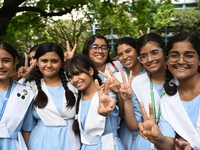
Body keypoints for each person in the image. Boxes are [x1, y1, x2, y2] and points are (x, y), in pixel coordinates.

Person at [139, 32, 200, 150]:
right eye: (174, 55)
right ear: (167, 61)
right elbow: (168, 145)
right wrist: (158, 138)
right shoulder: (168, 100)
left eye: (189, 55)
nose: (181, 61)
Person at [27, 42, 80, 150]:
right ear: (37, 62)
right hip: (40, 141)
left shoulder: (75, 84)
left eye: (54, 61)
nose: (49, 65)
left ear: (62, 63)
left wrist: (73, 63)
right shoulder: (29, 87)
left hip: (70, 139)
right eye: (44, 61)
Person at [66, 54, 124, 150]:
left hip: (108, 146)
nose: (74, 79)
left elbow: (113, 107)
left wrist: (107, 110)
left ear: (91, 71)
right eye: (70, 77)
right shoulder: (78, 98)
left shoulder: (106, 93)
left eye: (78, 73)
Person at [122, 33, 168, 150]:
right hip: (146, 142)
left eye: (155, 52)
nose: (150, 59)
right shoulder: (138, 82)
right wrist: (127, 99)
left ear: (164, 51)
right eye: (143, 56)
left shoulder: (179, 79)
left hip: (174, 141)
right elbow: (133, 126)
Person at [0, 41, 34, 150]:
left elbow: (27, 129)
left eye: (6, 61)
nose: (0, 66)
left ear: (15, 62)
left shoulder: (26, 93)